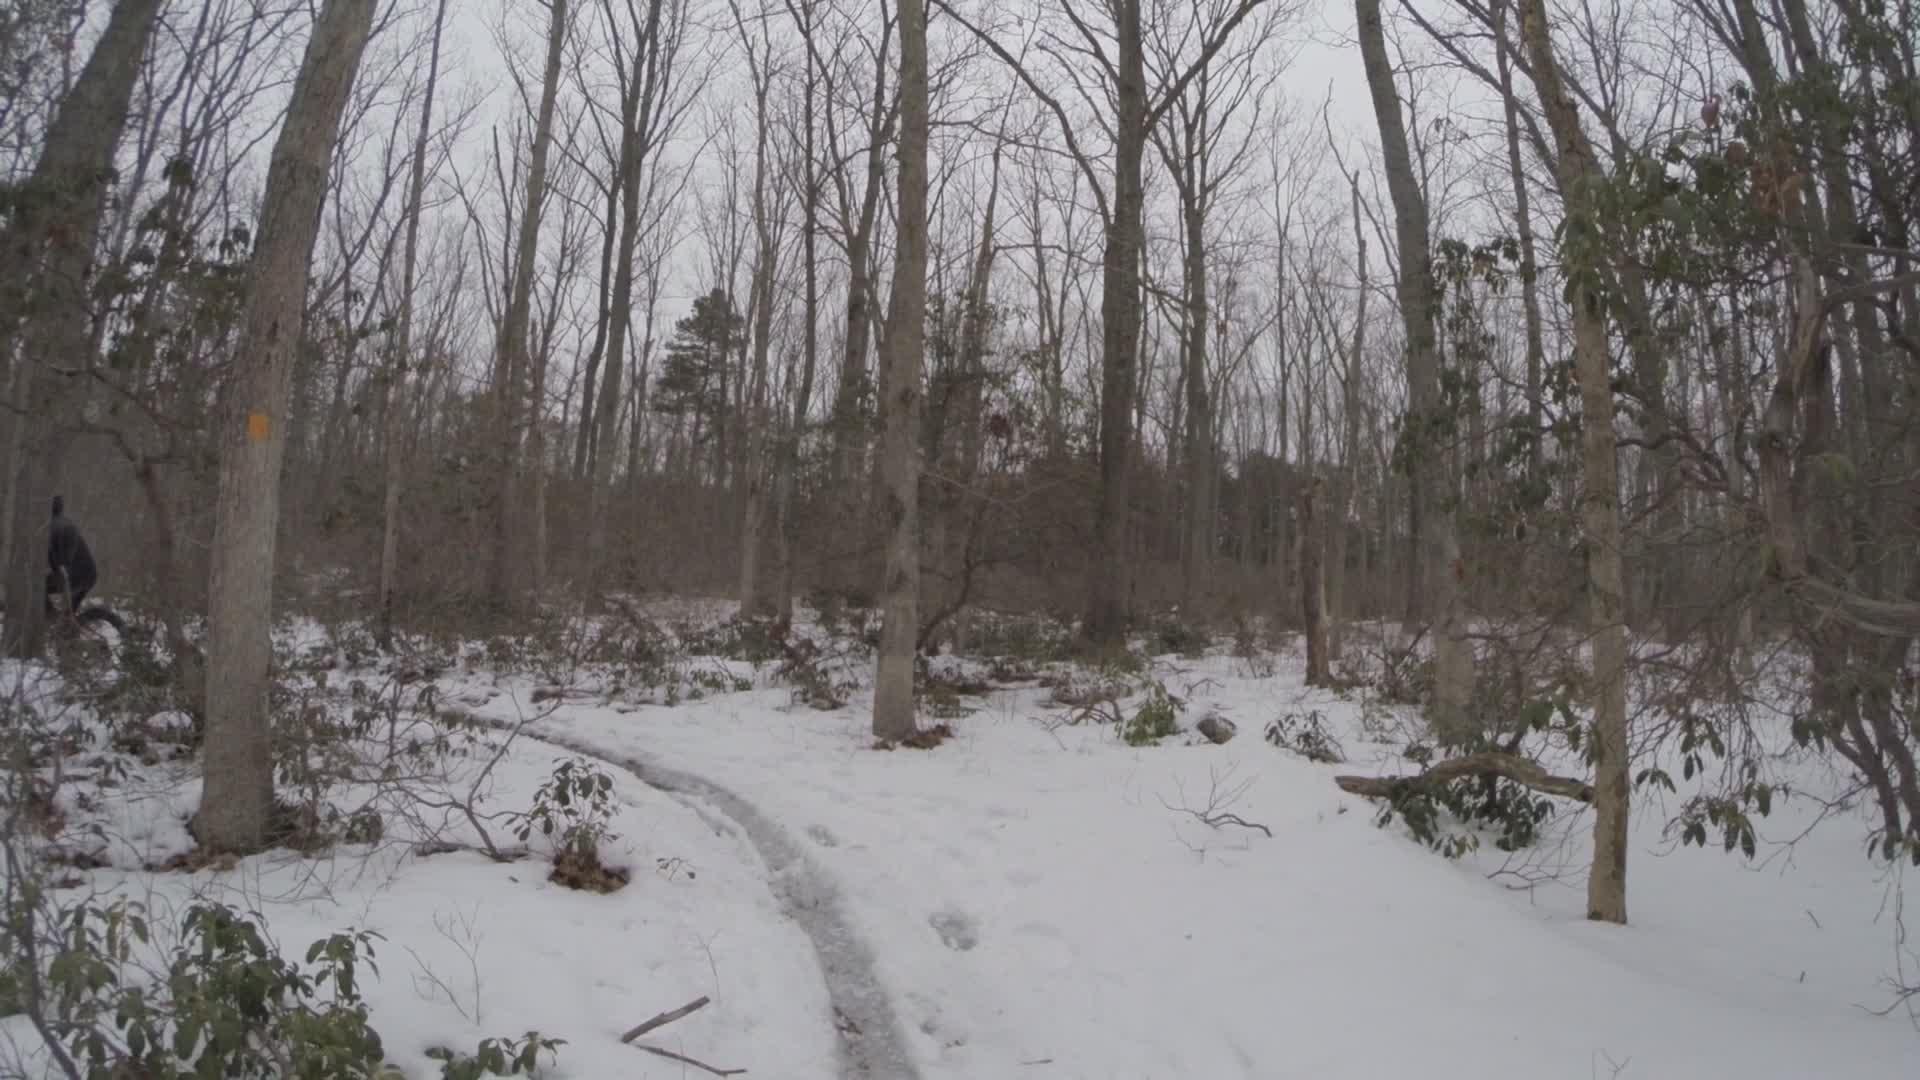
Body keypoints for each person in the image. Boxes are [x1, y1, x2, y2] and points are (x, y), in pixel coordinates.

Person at [47, 495, 98, 617]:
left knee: (38, 587)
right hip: (90, 575)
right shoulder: (65, 522)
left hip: (75, 575)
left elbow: (57, 559)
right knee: (67, 618)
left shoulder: (51, 526)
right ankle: (64, 629)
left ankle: (51, 619)